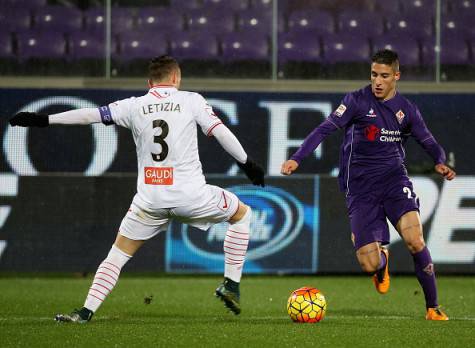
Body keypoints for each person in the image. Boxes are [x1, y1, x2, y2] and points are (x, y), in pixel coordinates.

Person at [8, 55, 265, 322]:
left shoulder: (133, 106)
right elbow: (220, 132)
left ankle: (85, 312)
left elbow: (89, 115)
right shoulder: (192, 100)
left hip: (150, 200)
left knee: (116, 256)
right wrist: (247, 163)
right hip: (191, 196)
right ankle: (231, 285)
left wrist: (43, 121)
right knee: (242, 214)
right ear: (176, 78)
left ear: (149, 82)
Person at [281, 49, 455, 321]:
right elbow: (324, 128)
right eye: (374, 74)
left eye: (384, 76)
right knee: (368, 263)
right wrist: (297, 158)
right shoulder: (356, 101)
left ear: (396, 76)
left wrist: (440, 161)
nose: (378, 81)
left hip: (395, 180)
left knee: (415, 240)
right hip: (361, 188)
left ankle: (432, 307)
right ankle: (382, 262)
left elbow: (428, 140)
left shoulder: (407, 110)